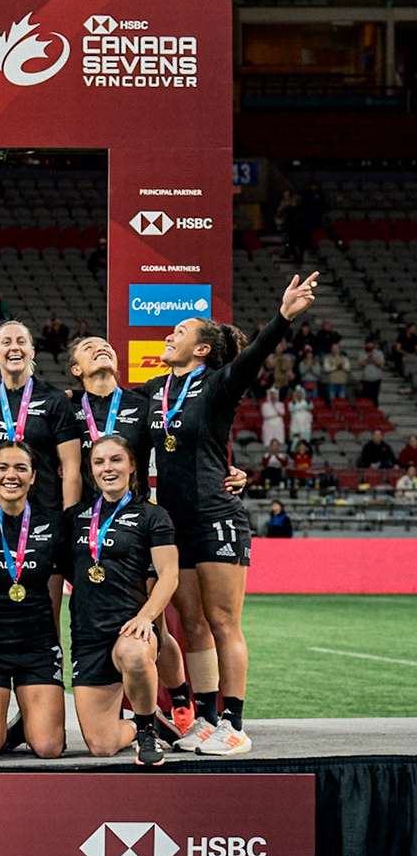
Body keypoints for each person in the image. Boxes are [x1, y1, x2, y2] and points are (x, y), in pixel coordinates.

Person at [143, 272, 317, 758]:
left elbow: (256, 355)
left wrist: (283, 317)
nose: (170, 334)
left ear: (202, 350)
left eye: (181, 331)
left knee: (223, 622)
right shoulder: (155, 390)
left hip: (216, 516)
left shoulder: (219, 384)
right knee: (193, 623)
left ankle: (234, 723)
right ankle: (201, 721)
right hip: (173, 525)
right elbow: (102, 409)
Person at [66, 435, 179, 765]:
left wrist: (146, 617)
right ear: (91, 471)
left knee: (131, 653)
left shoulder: (152, 516)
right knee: (101, 745)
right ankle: (145, 722)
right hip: (87, 637)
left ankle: (145, 732)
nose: (107, 468)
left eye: (116, 460)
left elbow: (169, 575)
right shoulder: (75, 517)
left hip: (131, 629)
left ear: (132, 466)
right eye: (99, 462)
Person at [0, 442, 68, 761]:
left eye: (21, 468)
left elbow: (55, 588)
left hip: (36, 647)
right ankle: (20, 720)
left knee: (48, 747)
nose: (12, 475)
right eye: (3, 468)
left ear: (34, 476)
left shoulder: (53, 523)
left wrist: (55, 647)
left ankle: (32, 719)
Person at [0, 322, 83, 518]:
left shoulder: (54, 399)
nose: (14, 347)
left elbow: (71, 470)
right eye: (6, 342)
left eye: (21, 342)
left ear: (32, 352)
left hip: (46, 515)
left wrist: (69, 521)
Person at [64, 337, 153, 479]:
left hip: (134, 500)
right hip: (84, 501)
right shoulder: (66, 407)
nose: (101, 349)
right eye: (88, 347)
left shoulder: (142, 404)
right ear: (76, 369)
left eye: (106, 346)